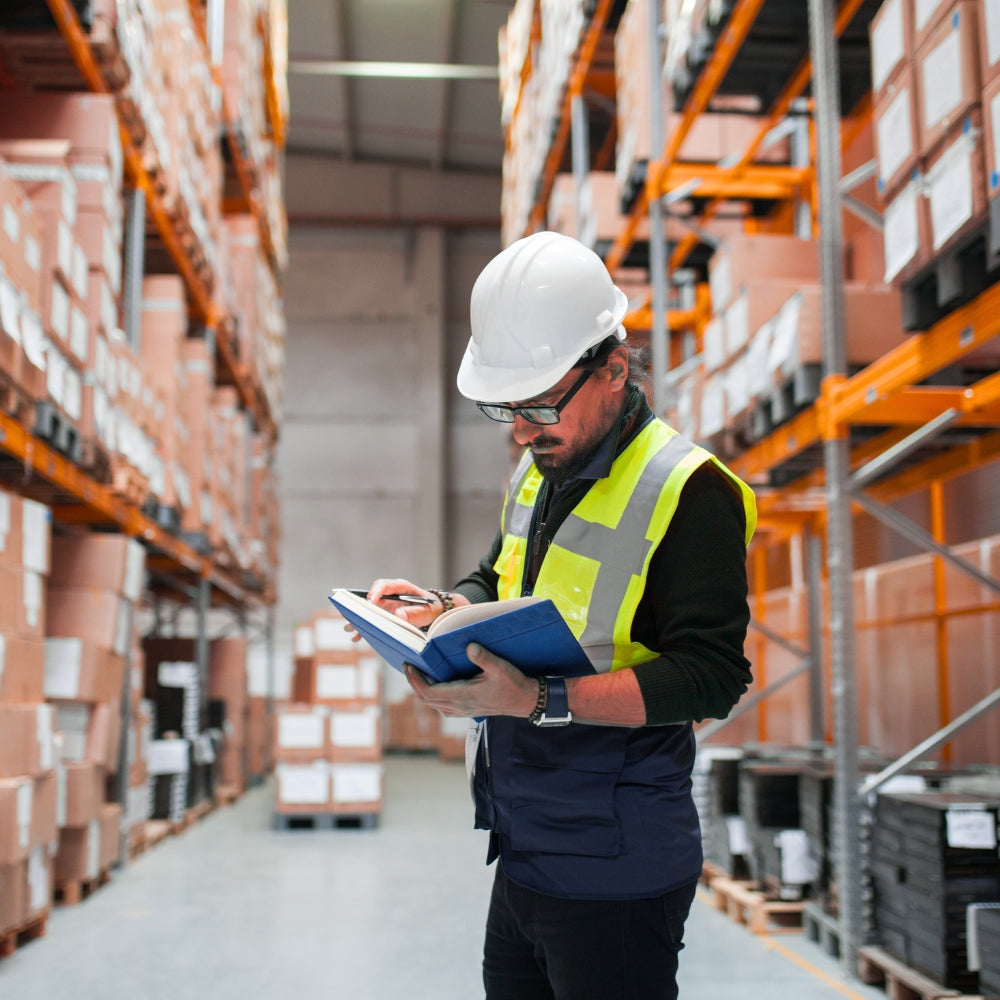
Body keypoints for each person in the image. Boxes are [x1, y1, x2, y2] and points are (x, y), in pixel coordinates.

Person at [363, 231, 757, 1000]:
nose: (520, 428)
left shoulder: (690, 489)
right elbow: (496, 574)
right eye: (504, 407)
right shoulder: (542, 464)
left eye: (539, 403)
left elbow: (712, 677)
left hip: (617, 862)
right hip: (524, 844)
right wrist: (443, 607)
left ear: (614, 367)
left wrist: (538, 700)